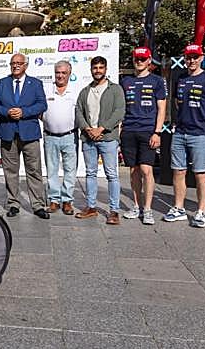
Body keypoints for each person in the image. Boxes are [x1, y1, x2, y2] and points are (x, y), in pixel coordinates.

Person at [165, 44, 205, 228]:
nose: (191, 60)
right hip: (180, 132)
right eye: (188, 57)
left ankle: (201, 212)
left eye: (195, 57)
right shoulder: (180, 78)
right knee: (178, 171)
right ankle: (179, 208)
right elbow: (176, 103)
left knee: (200, 174)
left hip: (201, 134)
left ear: (201, 58)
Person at [0, 53, 49, 218]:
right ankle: (13, 204)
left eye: (19, 63)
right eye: (13, 63)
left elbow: (42, 104)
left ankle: (38, 205)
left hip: (29, 134)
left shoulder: (36, 84)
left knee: (34, 171)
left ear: (26, 65)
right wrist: (7, 112)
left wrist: (24, 112)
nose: (16, 65)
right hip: (7, 132)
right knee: (10, 171)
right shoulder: (1, 83)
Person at [120, 47, 167, 225]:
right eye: (137, 59)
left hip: (148, 130)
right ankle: (136, 206)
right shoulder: (126, 81)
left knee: (147, 170)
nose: (139, 62)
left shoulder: (156, 81)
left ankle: (147, 209)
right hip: (129, 130)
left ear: (149, 61)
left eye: (143, 59)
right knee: (134, 171)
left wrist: (157, 131)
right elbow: (122, 107)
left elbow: (162, 108)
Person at [74, 56, 124, 225]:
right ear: (91, 69)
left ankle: (114, 211)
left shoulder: (115, 89)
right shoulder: (85, 91)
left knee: (111, 175)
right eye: (95, 68)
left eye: (101, 67)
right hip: (88, 138)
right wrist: (88, 129)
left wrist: (101, 128)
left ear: (106, 69)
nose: (98, 70)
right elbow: (79, 112)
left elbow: (119, 112)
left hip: (108, 138)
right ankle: (91, 207)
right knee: (90, 173)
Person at [42, 60, 77, 215]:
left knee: (70, 170)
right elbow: (40, 111)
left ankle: (67, 200)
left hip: (70, 136)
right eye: (58, 72)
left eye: (64, 73)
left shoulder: (75, 91)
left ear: (69, 74)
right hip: (50, 136)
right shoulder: (46, 91)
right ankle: (54, 200)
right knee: (52, 170)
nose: (60, 75)